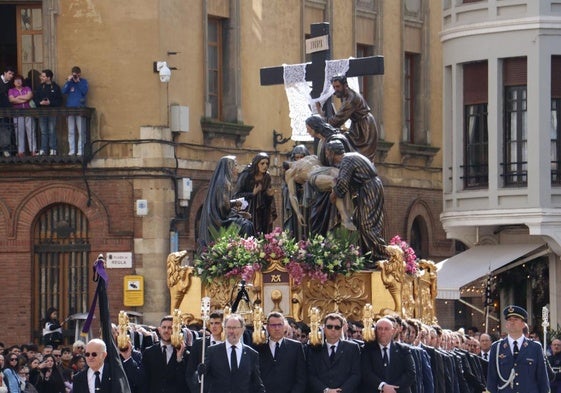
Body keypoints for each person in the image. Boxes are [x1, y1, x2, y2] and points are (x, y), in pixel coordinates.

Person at [326, 139, 388, 263]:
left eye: (328, 153)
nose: (327, 156)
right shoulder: (349, 157)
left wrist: (334, 193)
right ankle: (368, 256)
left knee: (367, 224)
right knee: (359, 221)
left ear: (333, 153)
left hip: (370, 189)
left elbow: (343, 183)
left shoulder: (346, 160)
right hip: (368, 188)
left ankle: (382, 256)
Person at [305, 115, 354, 236]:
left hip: (337, 182)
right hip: (324, 188)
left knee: (323, 222)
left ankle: (344, 218)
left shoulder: (336, 139)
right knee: (315, 220)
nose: (307, 131)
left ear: (316, 126)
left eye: (309, 128)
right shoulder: (321, 141)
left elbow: (345, 162)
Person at [486, 305, 550, 393]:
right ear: (506, 324)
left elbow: (542, 379)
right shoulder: (496, 347)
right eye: (509, 319)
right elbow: (491, 380)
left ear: (523, 324)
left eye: (516, 319)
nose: (512, 322)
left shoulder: (535, 348)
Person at [197, 313, 265, 393]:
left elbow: (257, 384)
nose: (231, 331)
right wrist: (199, 373)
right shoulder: (212, 351)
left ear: (242, 329)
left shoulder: (252, 354)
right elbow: (203, 378)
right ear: (224, 329)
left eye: (235, 328)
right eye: (229, 327)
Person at [198, 155, 255, 248]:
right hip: (218, 221)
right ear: (229, 167)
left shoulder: (224, 182)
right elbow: (223, 206)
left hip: (221, 218)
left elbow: (224, 207)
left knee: (246, 223)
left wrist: (240, 213)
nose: (238, 169)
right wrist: (236, 203)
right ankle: (247, 251)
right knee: (246, 225)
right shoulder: (223, 183)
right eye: (235, 165)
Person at [307, 312, 361, 393]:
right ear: (324, 328)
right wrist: (326, 390)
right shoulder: (314, 348)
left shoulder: (352, 348)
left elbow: (356, 374)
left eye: (337, 327)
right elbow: (311, 375)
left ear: (341, 329)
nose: (333, 329)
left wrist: (341, 391)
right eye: (329, 326)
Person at [328, 74, 378, 162]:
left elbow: (338, 119)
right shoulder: (344, 96)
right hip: (357, 126)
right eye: (334, 87)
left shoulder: (351, 99)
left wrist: (324, 124)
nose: (336, 89)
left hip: (365, 128)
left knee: (362, 157)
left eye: (338, 86)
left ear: (345, 85)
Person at [253, 312, 306, 393]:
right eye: (273, 325)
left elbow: (301, 378)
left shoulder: (296, 347)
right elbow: (255, 377)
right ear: (267, 327)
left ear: (284, 327)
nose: (277, 328)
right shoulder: (259, 348)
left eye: (280, 325)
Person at [361, 317, 416, 393]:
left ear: (393, 331)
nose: (383, 332)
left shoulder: (403, 350)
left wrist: (392, 389)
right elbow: (366, 372)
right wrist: (382, 386)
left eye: (386, 329)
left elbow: (410, 373)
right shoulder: (367, 349)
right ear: (375, 331)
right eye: (380, 329)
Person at [139, 316, 187, 393]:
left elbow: (184, 381)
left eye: (170, 328)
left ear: (176, 330)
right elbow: (144, 380)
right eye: (164, 327)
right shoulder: (149, 352)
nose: (166, 330)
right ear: (159, 329)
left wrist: (179, 359)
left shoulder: (184, 352)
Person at [234, 152, 278, 234]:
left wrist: (269, 195)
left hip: (262, 212)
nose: (265, 166)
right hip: (248, 210)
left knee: (261, 233)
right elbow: (236, 195)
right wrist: (252, 194)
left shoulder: (266, 177)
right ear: (256, 164)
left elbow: (266, 199)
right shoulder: (246, 175)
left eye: (267, 163)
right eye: (262, 163)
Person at [185, 310, 224, 393]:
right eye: (211, 323)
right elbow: (190, 372)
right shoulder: (199, 344)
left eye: (217, 323)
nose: (213, 326)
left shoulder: (228, 344)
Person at [282, 145, 310, 240]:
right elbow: (290, 192)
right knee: (294, 228)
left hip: (309, 203)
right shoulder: (290, 171)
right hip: (293, 203)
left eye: (301, 157)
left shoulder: (311, 167)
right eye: (297, 157)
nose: (299, 160)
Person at [34, 69, 62, 156]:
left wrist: (50, 103)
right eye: (41, 76)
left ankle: (53, 149)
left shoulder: (56, 87)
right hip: (42, 112)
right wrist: (40, 103)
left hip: (52, 112)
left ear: (49, 77)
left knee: (52, 130)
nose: (41, 78)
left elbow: (59, 101)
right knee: (43, 131)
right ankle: (43, 149)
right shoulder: (39, 87)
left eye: (43, 76)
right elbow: (35, 99)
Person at [62, 66, 88, 156]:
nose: (75, 76)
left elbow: (84, 91)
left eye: (77, 75)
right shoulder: (70, 82)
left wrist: (78, 82)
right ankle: (72, 150)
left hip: (80, 110)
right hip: (70, 110)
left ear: (80, 74)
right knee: (71, 131)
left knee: (81, 131)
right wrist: (69, 81)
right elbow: (63, 91)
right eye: (74, 75)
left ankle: (81, 150)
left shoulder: (83, 81)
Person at [8, 74, 35, 157]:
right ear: (13, 82)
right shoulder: (11, 90)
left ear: (22, 81)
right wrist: (24, 99)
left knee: (31, 131)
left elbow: (29, 96)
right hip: (17, 113)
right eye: (16, 80)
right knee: (19, 132)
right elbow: (12, 100)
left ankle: (33, 150)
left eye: (20, 80)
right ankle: (20, 151)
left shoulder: (27, 88)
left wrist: (18, 98)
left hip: (28, 112)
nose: (18, 81)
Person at [0, 66, 15, 157]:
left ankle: (5, 150)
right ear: (4, 73)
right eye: (10, 73)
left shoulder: (10, 84)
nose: (11, 76)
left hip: (6, 112)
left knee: (5, 130)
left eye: (12, 74)